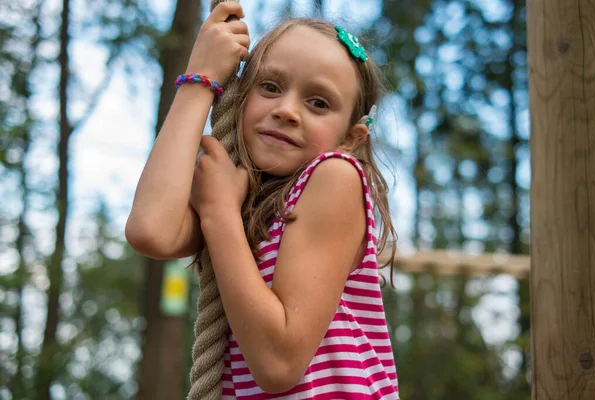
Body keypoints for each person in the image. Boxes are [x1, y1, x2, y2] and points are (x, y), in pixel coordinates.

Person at [126, 1, 399, 398]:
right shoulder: (240, 198)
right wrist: (200, 80)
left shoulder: (335, 176)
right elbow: (151, 231)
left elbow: (278, 364)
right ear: (241, 96)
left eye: (318, 102)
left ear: (350, 138)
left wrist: (219, 213)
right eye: (270, 87)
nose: (287, 110)